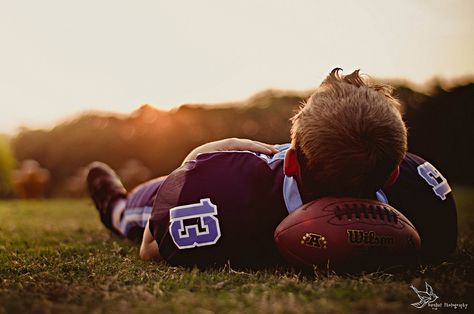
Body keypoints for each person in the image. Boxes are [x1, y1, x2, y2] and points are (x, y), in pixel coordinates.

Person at [86, 68, 457, 269]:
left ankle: (114, 204)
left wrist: (201, 156)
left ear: (291, 160)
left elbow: (151, 247)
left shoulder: (225, 186)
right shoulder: (422, 198)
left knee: (132, 212)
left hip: (256, 163)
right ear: (393, 172)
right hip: (275, 164)